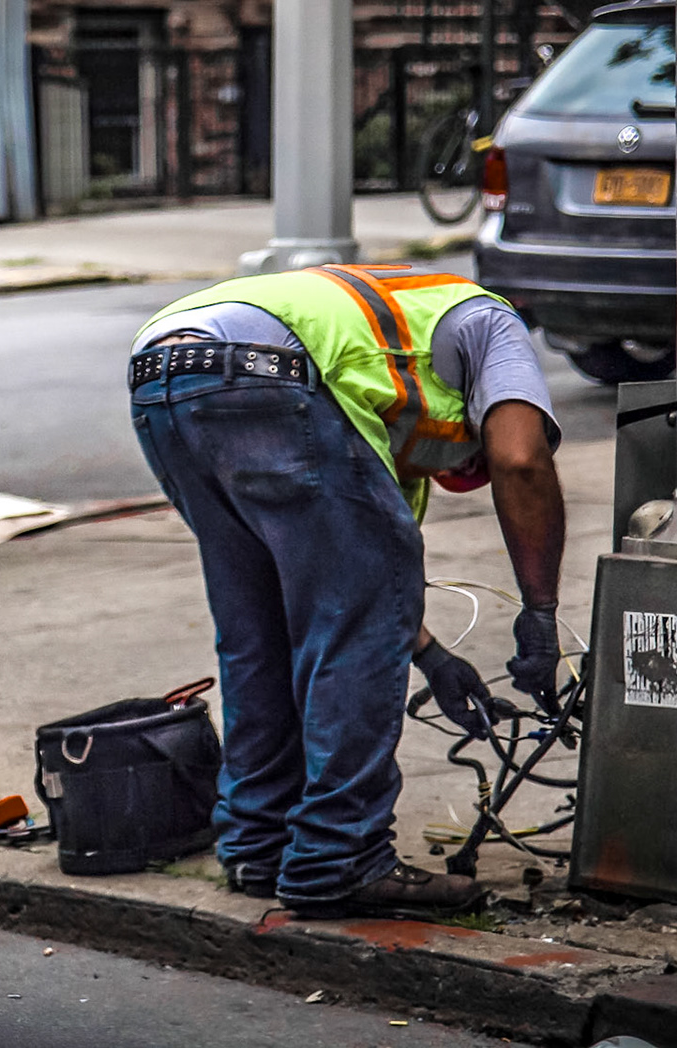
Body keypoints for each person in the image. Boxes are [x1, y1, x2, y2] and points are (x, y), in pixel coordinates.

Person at [128, 263, 565, 919]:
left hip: (162, 372)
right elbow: (522, 460)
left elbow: (358, 594)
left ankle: (259, 843)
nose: (458, 468)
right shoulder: (488, 320)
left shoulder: (376, 427)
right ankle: (340, 859)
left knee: (257, 625)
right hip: (269, 371)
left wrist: (432, 657)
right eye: (466, 458)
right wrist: (540, 614)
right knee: (329, 628)